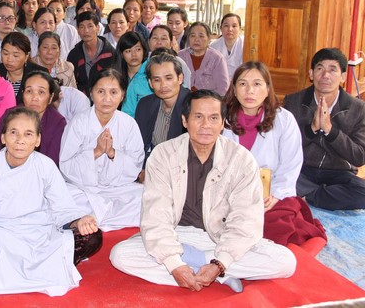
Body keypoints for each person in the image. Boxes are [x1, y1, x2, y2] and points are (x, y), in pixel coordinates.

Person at [110, 90, 297, 292]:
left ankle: (201, 264)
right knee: (120, 255)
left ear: (223, 123)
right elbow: (156, 215)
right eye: (198, 117)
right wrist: (173, 263)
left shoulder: (241, 159)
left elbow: (246, 220)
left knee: (285, 262)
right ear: (185, 120)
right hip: (176, 234)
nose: (206, 125)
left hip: (219, 237)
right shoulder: (163, 155)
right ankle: (215, 275)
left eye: (214, 118)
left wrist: (220, 262)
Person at [0, 107, 102, 296]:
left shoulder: (45, 166)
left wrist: (78, 221)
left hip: (41, 235)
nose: (20, 140)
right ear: (3, 137)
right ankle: (48, 268)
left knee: (93, 236)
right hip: (1, 236)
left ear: (38, 140)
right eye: (13, 133)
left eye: (28, 134)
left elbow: (63, 207)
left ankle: (7, 275)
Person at [222, 62, 325, 245]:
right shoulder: (222, 119)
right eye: (243, 84)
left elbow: (291, 164)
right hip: (231, 193)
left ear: (267, 89)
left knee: (277, 225)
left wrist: (276, 195)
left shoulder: (284, 119)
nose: (249, 91)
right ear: (234, 89)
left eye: (257, 84)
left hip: (269, 195)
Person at [60, 69, 145, 231]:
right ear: (91, 94)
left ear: (122, 95)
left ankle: (91, 218)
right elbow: (65, 165)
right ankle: (100, 217)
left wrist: (113, 153)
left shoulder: (128, 124)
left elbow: (135, 165)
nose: (107, 99)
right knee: (64, 196)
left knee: (145, 197)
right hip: (84, 190)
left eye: (113, 92)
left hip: (118, 189)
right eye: (101, 92)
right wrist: (97, 152)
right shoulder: (78, 122)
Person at [283, 48, 365, 210]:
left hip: (338, 172)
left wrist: (331, 131)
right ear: (311, 74)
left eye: (332, 70)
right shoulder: (293, 102)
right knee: (277, 177)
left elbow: (359, 157)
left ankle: (310, 196)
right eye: (320, 68)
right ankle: (323, 196)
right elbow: (284, 148)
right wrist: (311, 129)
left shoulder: (358, 108)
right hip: (302, 170)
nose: (325, 75)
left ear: (343, 77)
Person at [0, 71, 67, 165]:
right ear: (23, 94)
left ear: (51, 97)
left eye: (41, 92)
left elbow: (52, 162)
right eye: (29, 91)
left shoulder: (58, 123)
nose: (34, 97)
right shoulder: (10, 115)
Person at [135, 53, 189, 172]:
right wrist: (142, 169)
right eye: (157, 80)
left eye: (168, 78)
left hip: (183, 170)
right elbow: (138, 146)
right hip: (151, 167)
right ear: (150, 83)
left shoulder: (193, 106)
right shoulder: (145, 105)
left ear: (180, 78)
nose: (163, 85)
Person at [67, 11, 116, 96]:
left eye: (90, 26)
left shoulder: (110, 53)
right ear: (77, 30)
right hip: (81, 99)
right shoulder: (74, 55)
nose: (86, 31)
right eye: (82, 27)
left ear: (97, 28)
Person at [178, 22, 229, 96]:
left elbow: (223, 89)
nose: (196, 39)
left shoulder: (217, 58)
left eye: (201, 36)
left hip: (209, 100)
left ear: (208, 39)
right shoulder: (180, 56)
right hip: (183, 99)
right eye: (192, 36)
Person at [0, 32, 46, 102]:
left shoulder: (39, 74)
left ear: (26, 56)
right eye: (5, 54)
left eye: (15, 55)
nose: (9, 59)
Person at [117, 32, 152, 118]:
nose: (134, 54)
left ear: (144, 50)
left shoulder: (152, 72)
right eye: (128, 51)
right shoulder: (116, 75)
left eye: (138, 49)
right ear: (122, 54)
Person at [210, 13, 244, 79]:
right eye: (226, 26)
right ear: (221, 28)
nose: (230, 29)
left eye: (234, 26)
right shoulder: (213, 46)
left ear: (240, 28)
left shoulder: (245, 44)